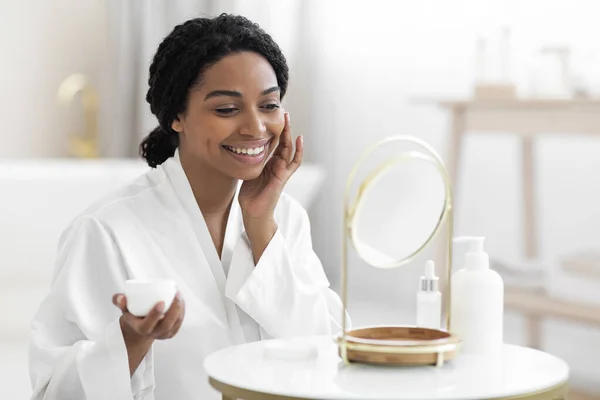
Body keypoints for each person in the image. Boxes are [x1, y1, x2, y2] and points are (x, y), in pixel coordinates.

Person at [29, 14, 346, 400]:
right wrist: (129, 342)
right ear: (177, 115)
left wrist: (261, 225)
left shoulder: (286, 218)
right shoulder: (106, 230)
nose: (256, 127)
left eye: (269, 105)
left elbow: (330, 354)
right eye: (227, 109)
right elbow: (53, 393)